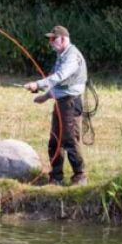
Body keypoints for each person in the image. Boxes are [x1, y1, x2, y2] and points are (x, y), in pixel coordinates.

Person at [24, 25, 87, 186]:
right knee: (55, 140)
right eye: (50, 39)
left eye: (54, 38)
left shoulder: (72, 56)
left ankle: (80, 176)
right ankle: (56, 176)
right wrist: (45, 96)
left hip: (70, 103)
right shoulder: (61, 55)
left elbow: (60, 77)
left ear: (63, 39)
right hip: (61, 102)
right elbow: (57, 83)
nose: (51, 42)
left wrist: (37, 84)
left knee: (69, 140)